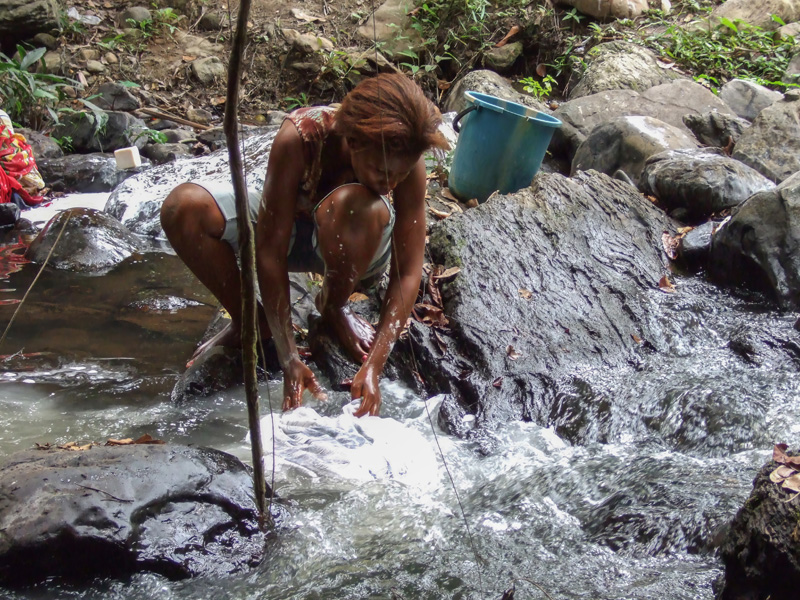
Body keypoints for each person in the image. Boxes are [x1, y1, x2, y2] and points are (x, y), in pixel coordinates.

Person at [161, 73, 449, 417]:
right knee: (184, 208)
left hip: (362, 242)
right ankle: (250, 321)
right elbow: (268, 250)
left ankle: (333, 306)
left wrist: (374, 363)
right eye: (379, 170)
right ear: (354, 142)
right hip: (295, 230)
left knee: (357, 203)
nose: (390, 182)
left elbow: (408, 269)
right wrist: (288, 357)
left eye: (398, 176)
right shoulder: (301, 135)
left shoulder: (406, 157)